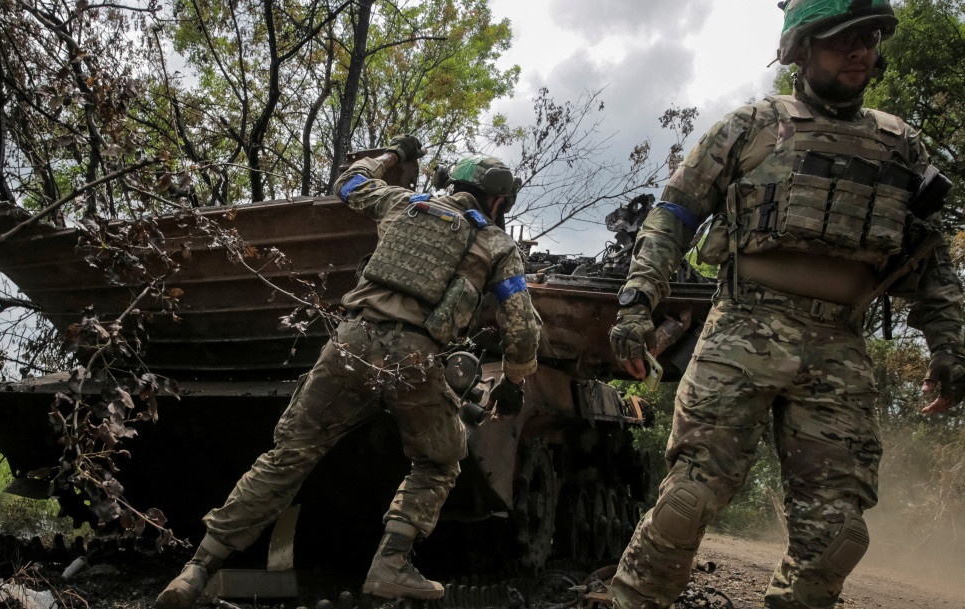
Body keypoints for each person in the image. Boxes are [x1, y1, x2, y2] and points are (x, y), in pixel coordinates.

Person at [606, 1, 965, 608]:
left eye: (870, 37)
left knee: (837, 535)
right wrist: (638, 300)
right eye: (841, 38)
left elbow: (931, 264)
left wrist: (951, 346)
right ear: (799, 49)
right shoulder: (748, 126)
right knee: (688, 501)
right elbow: (672, 215)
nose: (859, 50)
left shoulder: (902, 146)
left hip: (839, 350)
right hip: (742, 328)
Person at [155, 136, 541, 608]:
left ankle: (194, 570)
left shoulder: (403, 203)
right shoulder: (496, 243)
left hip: (349, 344)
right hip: (414, 359)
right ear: (498, 199)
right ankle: (390, 565)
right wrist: (515, 382)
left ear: (450, 184)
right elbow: (521, 328)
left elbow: (348, 181)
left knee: (288, 456)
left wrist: (395, 154)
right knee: (440, 460)